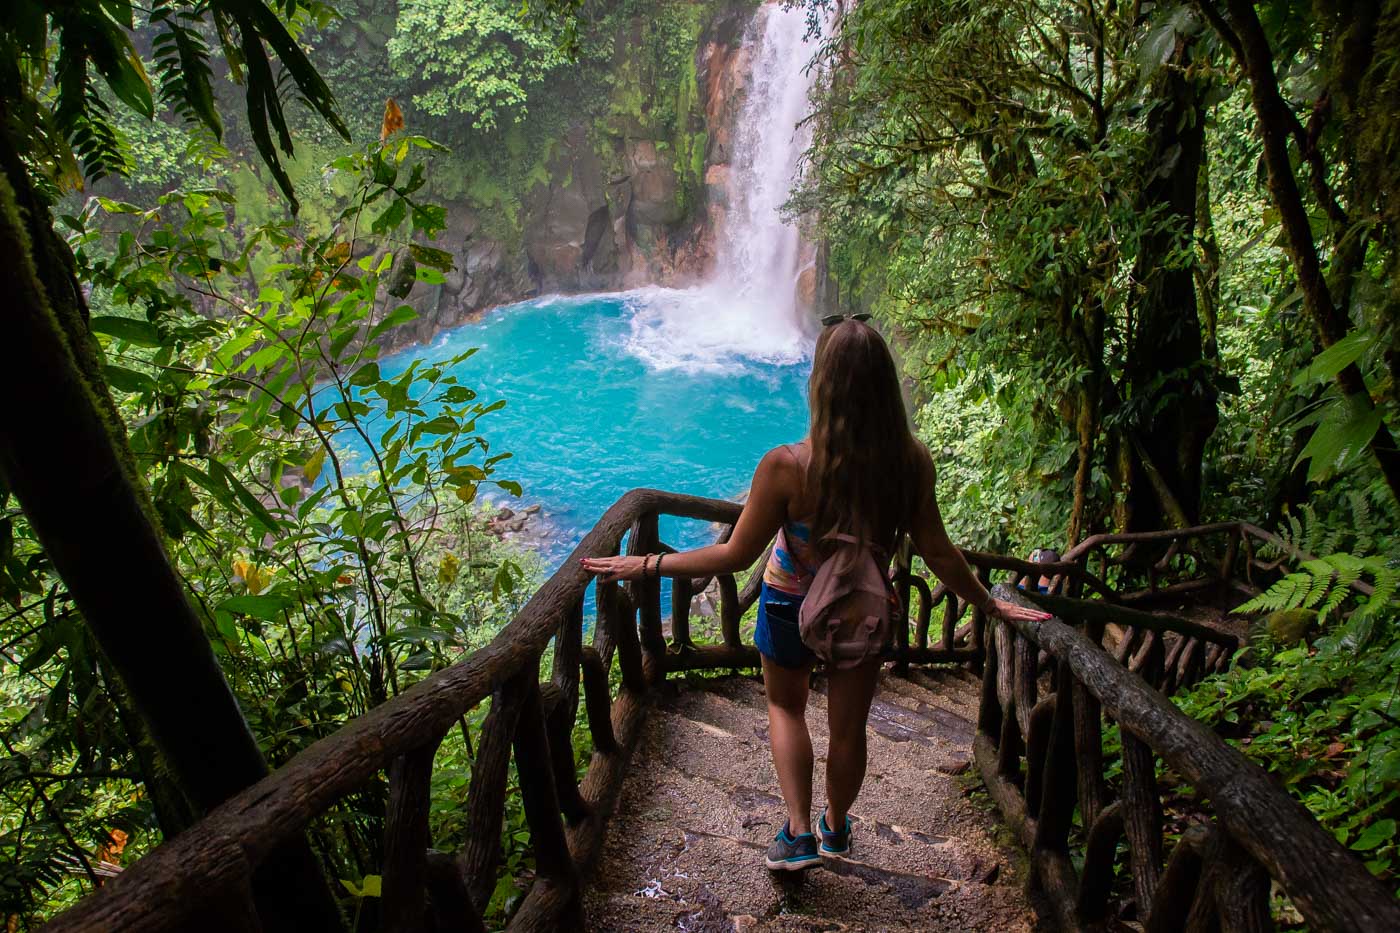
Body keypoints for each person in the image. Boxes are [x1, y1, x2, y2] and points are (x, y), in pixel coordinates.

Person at [581, 315, 1050, 872]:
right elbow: (940, 551)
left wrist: (649, 563)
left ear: (821, 385)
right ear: (885, 386)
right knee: (849, 730)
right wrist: (987, 602)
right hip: (865, 610)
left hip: (786, 603)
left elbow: (734, 556)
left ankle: (798, 832)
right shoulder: (911, 462)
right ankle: (835, 827)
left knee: (785, 706)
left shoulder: (787, 466)